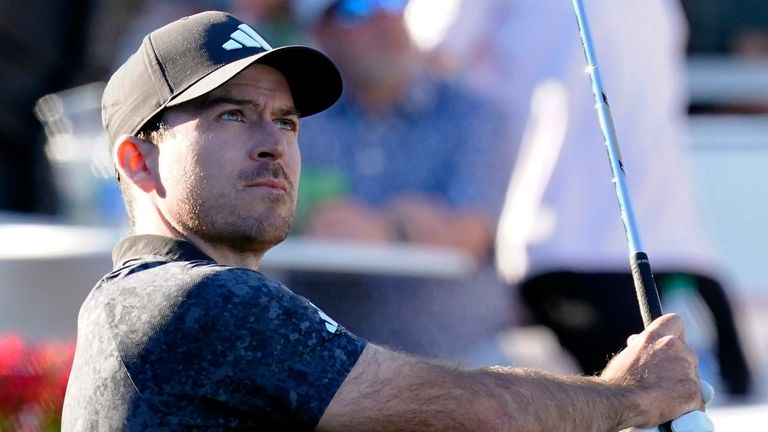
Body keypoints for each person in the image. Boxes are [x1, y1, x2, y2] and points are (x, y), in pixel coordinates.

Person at [61, 10, 712, 431]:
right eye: (232, 114)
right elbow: (475, 413)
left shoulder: (143, 297)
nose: (272, 143)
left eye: (286, 121)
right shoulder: (198, 301)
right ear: (137, 159)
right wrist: (627, 394)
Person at [436, 0, 753, 396]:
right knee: (674, 407)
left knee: (700, 407)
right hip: (610, 251)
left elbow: (429, 55)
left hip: (623, 250)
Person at [284, 0, 515, 365]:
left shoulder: (476, 114)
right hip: (323, 357)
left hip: (455, 357)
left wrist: (386, 229)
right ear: (320, 33)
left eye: (393, 3)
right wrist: (407, 221)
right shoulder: (294, 119)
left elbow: (472, 234)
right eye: (356, 8)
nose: (385, 19)